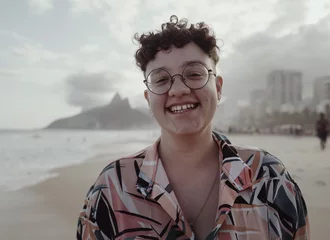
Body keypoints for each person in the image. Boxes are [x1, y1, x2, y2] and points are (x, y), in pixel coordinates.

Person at [77, 15, 310, 240]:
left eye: (194, 74)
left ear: (218, 88)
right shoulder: (112, 187)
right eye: (161, 79)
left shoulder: (269, 177)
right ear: (148, 99)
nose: (178, 89)